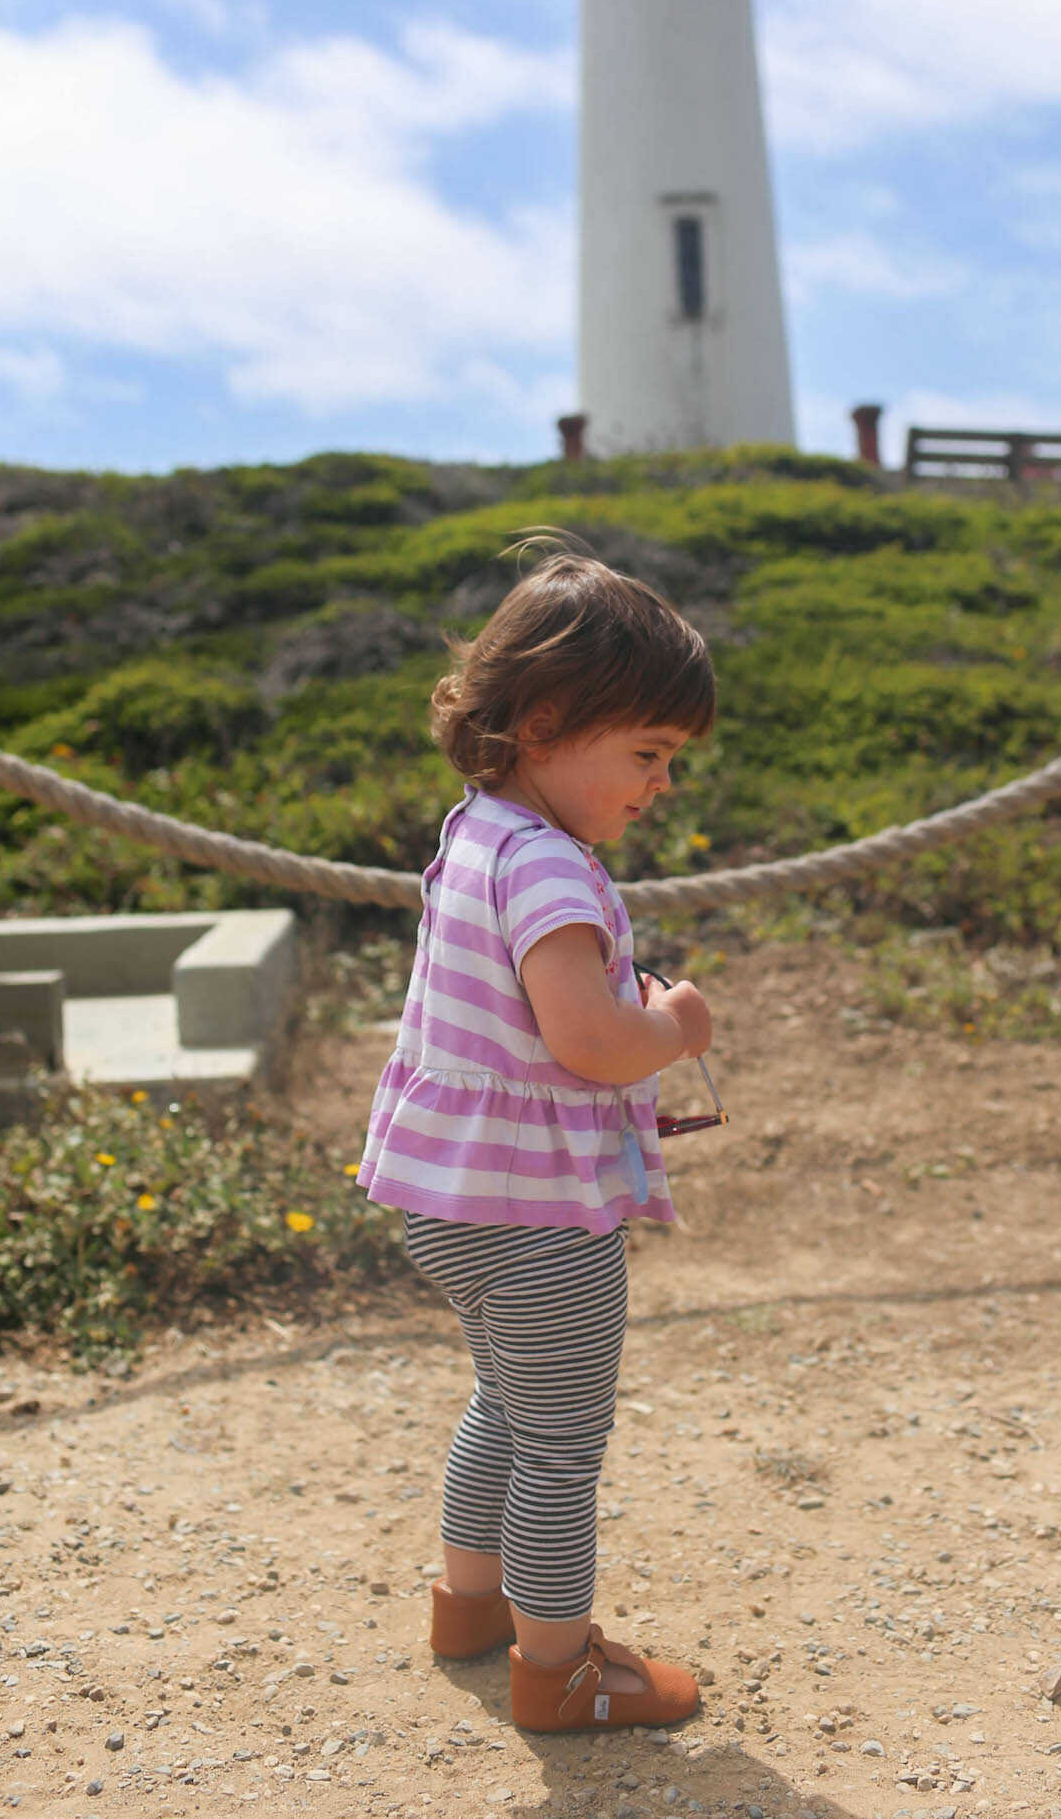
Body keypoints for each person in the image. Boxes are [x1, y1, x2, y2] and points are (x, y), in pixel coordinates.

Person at [356, 549, 716, 1734]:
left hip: (447, 1198)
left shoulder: (477, 835)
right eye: (648, 754)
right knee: (562, 1447)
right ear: (549, 723)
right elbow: (588, 1043)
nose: (659, 785)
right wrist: (668, 1026)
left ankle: (471, 1608)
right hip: (537, 1217)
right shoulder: (553, 866)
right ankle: (560, 1669)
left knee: (503, 1406)